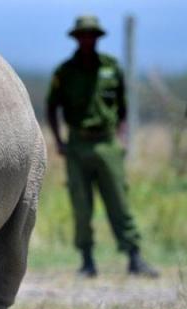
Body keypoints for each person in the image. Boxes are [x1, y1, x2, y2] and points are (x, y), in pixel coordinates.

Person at [46, 15, 159, 278]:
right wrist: (60, 141)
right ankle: (87, 261)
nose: (88, 39)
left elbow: (122, 106)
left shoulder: (111, 68)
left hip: (107, 143)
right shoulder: (65, 72)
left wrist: (121, 137)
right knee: (81, 205)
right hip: (77, 145)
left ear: (97, 38)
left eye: (92, 35)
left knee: (119, 202)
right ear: (76, 38)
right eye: (83, 35)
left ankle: (134, 257)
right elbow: (52, 108)